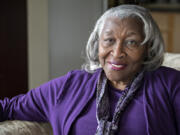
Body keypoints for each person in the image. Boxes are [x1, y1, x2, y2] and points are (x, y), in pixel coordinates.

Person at [0, 4, 180, 135]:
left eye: (131, 42)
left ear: (147, 47)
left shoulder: (171, 85)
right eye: (109, 40)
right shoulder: (69, 86)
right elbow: (9, 108)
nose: (117, 53)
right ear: (97, 44)